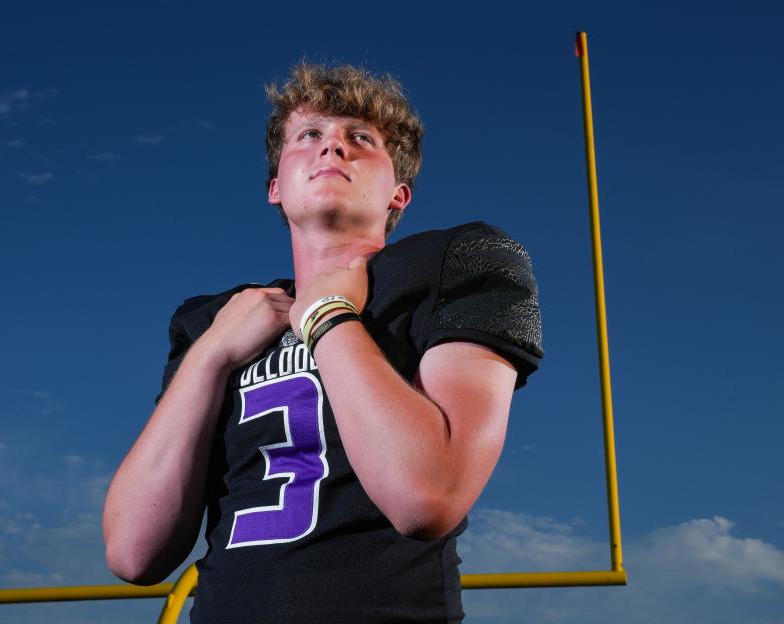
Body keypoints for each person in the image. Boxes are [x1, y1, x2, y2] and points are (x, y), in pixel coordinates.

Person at [103, 62, 544, 623]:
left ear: (399, 195)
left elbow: (427, 496)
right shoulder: (217, 321)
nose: (333, 147)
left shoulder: (456, 261)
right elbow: (132, 551)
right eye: (309, 136)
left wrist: (329, 316)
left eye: (361, 139)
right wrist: (211, 356)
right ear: (274, 188)